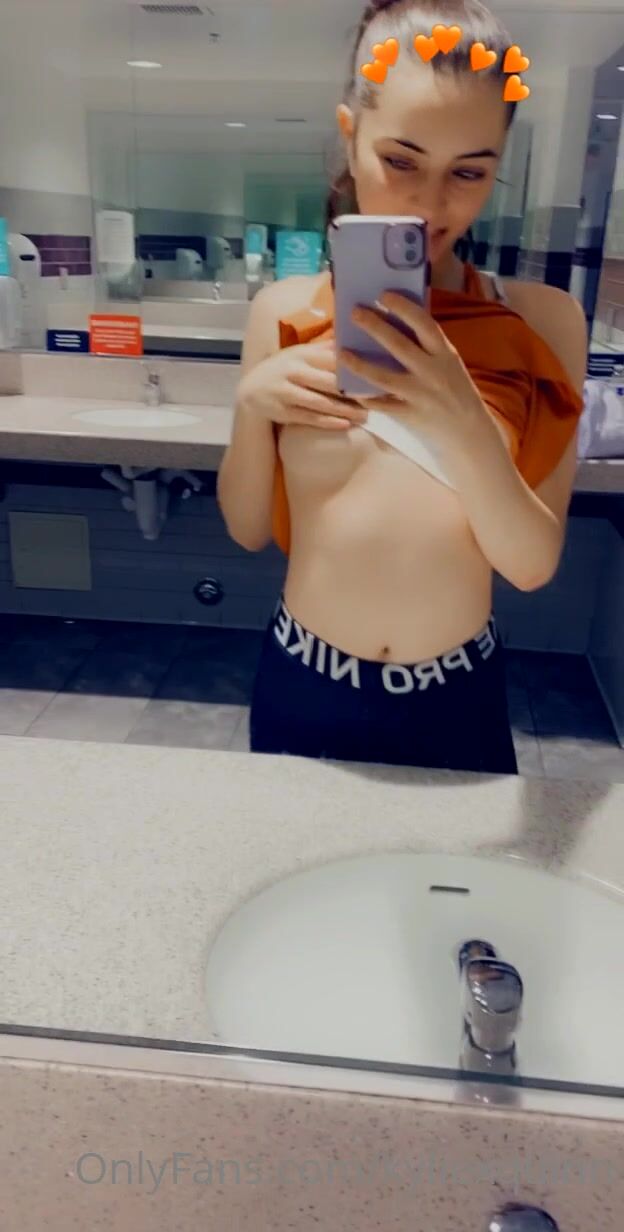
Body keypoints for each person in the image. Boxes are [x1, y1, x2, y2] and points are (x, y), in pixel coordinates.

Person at [217, 0, 587, 773]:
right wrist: (253, 408)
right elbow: (248, 530)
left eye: (469, 172)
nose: (429, 203)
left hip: (457, 698)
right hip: (302, 680)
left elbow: (530, 565)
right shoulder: (281, 312)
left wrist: (461, 417)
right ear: (351, 137)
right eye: (402, 160)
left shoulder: (542, 321)